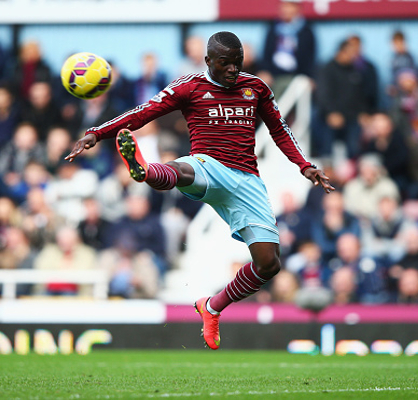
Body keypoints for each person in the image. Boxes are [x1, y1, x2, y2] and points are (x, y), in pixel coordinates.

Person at [65, 31, 333, 350]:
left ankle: (212, 307)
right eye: (225, 63)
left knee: (269, 263)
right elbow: (142, 112)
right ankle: (146, 171)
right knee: (183, 169)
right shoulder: (188, 86)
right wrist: (97, 132)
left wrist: (304, 165)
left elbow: (280, 130)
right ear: (208, 61)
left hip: (247, 180)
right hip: (208, 165)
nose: (233, 69)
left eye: (238, 63)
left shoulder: (256, 87)